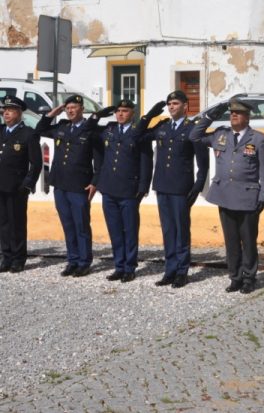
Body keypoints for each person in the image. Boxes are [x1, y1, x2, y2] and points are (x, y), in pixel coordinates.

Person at [191, 97, 264, 294]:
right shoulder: (220, 134)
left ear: (247, 117)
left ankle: (249, 278)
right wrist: (210, 116)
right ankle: (235, 277)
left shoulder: (258, 139)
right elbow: (194, 136)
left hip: (247, 197)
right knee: (231, 241)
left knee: (248, 241)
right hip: (225, 196)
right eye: (232, 113)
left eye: (239, 113)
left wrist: (263, 196)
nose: (234, 115)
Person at [92, 99, 163, 283]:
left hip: (129, 190)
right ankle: (119, 266)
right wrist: (96, 116)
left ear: (132, 113)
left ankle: (130, 267)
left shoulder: (138, 132)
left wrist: (143, 187)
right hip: (109, 188)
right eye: (118, 111)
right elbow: (88, 132)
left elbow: (146, 161)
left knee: (130, 231)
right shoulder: (109, 130)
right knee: (115, 230)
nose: (120, 114)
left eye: (125, 111)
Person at [145, 90, 209, 289]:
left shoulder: (193, 128)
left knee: (181, 230)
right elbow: (139, 135)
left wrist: (198, 186)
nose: (171, 107)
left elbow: (203, 162)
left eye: (175, 103)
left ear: (185, 106)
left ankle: (182, 272)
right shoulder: (163, 126)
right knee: (168, 230)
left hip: (181, 187)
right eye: (169, 104)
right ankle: (170, 270)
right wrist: (149, 116)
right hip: (162, 185)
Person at [35, 95, 101, 277]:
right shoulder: (62, 127)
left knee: (81, 225)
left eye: (74, 107)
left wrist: (95, 182)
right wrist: (52, 113)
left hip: (79, 185)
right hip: (60, 183)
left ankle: (84, 262)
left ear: (82, 109)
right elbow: (40, 130)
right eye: (68, 108)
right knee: (68, 225)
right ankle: (72, 260)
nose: (70, 111)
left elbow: (99, 160)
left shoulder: (90, 130)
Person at [0, 96, 42, 273]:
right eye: (4, 110)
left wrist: (27, 184)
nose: (6, 113)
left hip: (16, 187)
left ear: (19, 113)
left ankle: (18, 258)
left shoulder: (28, 134)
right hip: (1, 186)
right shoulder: (1, 131)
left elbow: (36, 163)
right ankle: (6, 256)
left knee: (16, 223)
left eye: (10, 110)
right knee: (3, 223)